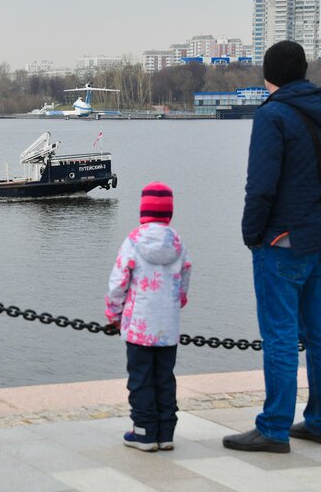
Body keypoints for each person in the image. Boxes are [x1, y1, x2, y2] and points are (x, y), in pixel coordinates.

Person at [223, 40, 321, 454]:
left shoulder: (271, 115)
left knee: (279, 335)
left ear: (268, 74)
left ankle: (274, 427)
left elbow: (260, 185)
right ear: (304, 70)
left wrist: (252, 233)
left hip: (279, 240)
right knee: (320, 334)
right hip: (316, 238)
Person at [105, 182, 192, 452]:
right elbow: (185, 278)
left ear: (143, 210)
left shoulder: (133, 240)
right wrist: (178, 303)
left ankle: (143, 432)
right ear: (170, 212)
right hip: (167, 327)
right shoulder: (177, 242)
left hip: (138, 327)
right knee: (165, 378)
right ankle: (166, 433)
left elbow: (119, 282)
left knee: (141, 379)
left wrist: (113, 313)